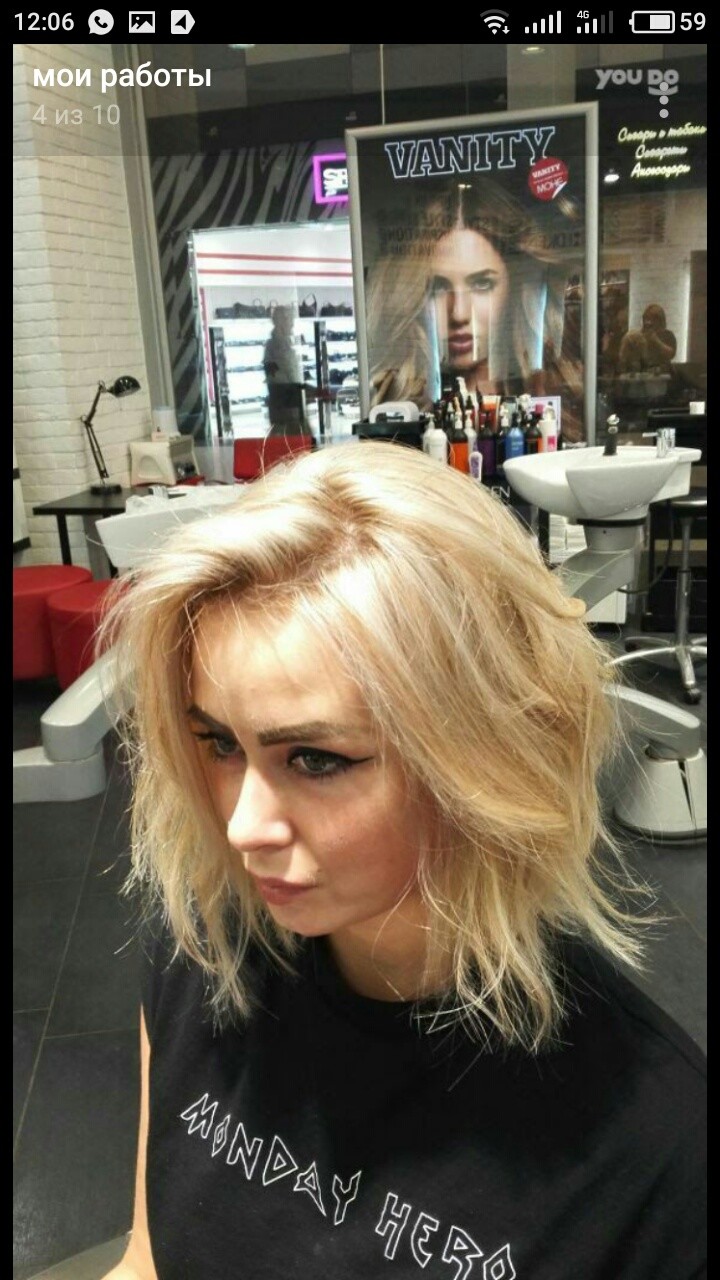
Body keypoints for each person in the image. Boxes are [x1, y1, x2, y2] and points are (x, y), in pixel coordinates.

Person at [99, 443, 705, 1280]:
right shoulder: (200, 946)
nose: (242, 827)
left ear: (484, 758)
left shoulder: (658, 1150)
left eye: (315, 758)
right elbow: (144, 1261)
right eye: (220, 744)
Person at [366, 180, 585, 438]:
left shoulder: (545, 392)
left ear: (514, 290)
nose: (459, 313)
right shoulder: (402, 402)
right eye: (439, 287)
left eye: (482, 284)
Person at [263, 305, 327, 435]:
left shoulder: (282, 345)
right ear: (280, 322)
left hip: (290, 409)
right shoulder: (275, 347)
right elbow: (282, 384)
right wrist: (310, 391)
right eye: (289, 320)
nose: (292, 324)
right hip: (286, 412)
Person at [618, 304, 677, 376]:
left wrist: (656, 341)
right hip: (643, 374)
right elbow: (625, 357)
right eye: (646, 318)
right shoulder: (637, 337)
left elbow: (671, 354)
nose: (648, 322)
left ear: (660, 321)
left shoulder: (668, 335)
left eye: (653, 319)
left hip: (663, 374)